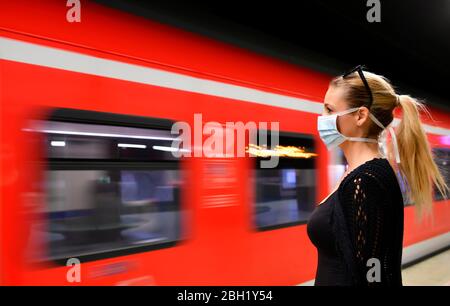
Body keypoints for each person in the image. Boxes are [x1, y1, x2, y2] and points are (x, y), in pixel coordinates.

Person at [306, 65, 448, 286]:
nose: (321, 117)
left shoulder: (365, 181)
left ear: (361, 116)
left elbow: (371, 276)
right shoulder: (357, 174)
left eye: (329, 109)